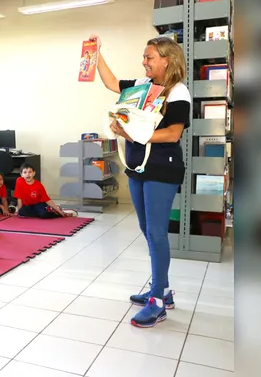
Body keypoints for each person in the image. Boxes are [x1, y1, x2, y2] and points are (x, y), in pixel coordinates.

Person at [93, 34, 190, 328]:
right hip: (138, 167)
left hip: (162, 169)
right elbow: (111, 83)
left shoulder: (178, 92)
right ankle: (163, 290)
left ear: (167, 60)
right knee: (147, 230)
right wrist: (94, 54)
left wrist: (131, 134)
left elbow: (173, 133)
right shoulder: (140, 86)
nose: (144, 62)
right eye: (144, 57)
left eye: (149, 57)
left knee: (157, 234)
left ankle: (158, 303)